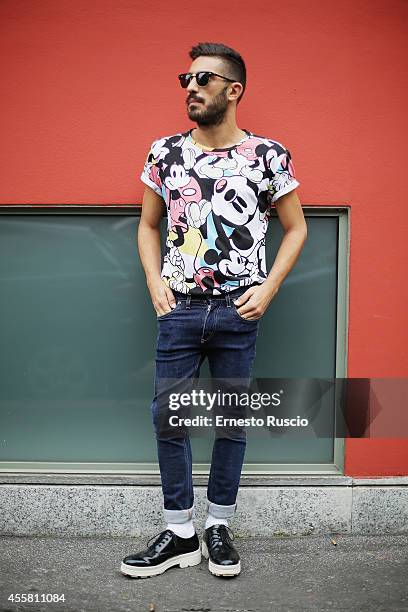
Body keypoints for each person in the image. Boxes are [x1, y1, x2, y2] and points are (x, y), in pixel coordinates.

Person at [121, 41, 307, 579]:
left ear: (234, 89)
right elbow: (148, 224)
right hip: (178, 310)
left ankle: (218, 527)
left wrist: (268, 289)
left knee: (230, 423)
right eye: (186, 79)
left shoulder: (269, 155)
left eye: (203, 79)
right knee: (169, 420)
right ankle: (180, 533)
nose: (191, 88)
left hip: (237, 312)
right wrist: (154, 282)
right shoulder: (165, 153)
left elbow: (296, 229)